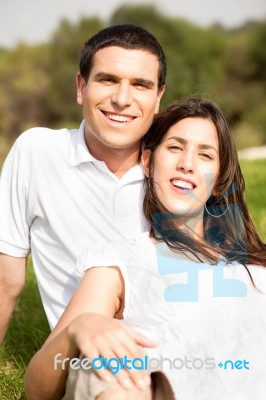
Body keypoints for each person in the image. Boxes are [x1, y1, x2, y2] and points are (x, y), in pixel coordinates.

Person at [25, 98, 266, 400]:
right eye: (175, 148)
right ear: (149, 162)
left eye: (205, 155)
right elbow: (37, 387)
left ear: (219, 181)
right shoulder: (121, 262)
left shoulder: (256, 263)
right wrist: (80, 328)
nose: (187, 164)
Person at [0, 24, 166, 342]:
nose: (121, 98)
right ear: (81, 87)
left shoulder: (176, 169)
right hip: (93, 356)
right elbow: (5, 282)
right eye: (108, 80)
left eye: (140, 85)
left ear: (158, 98)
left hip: (184, 352)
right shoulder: (37, 152)